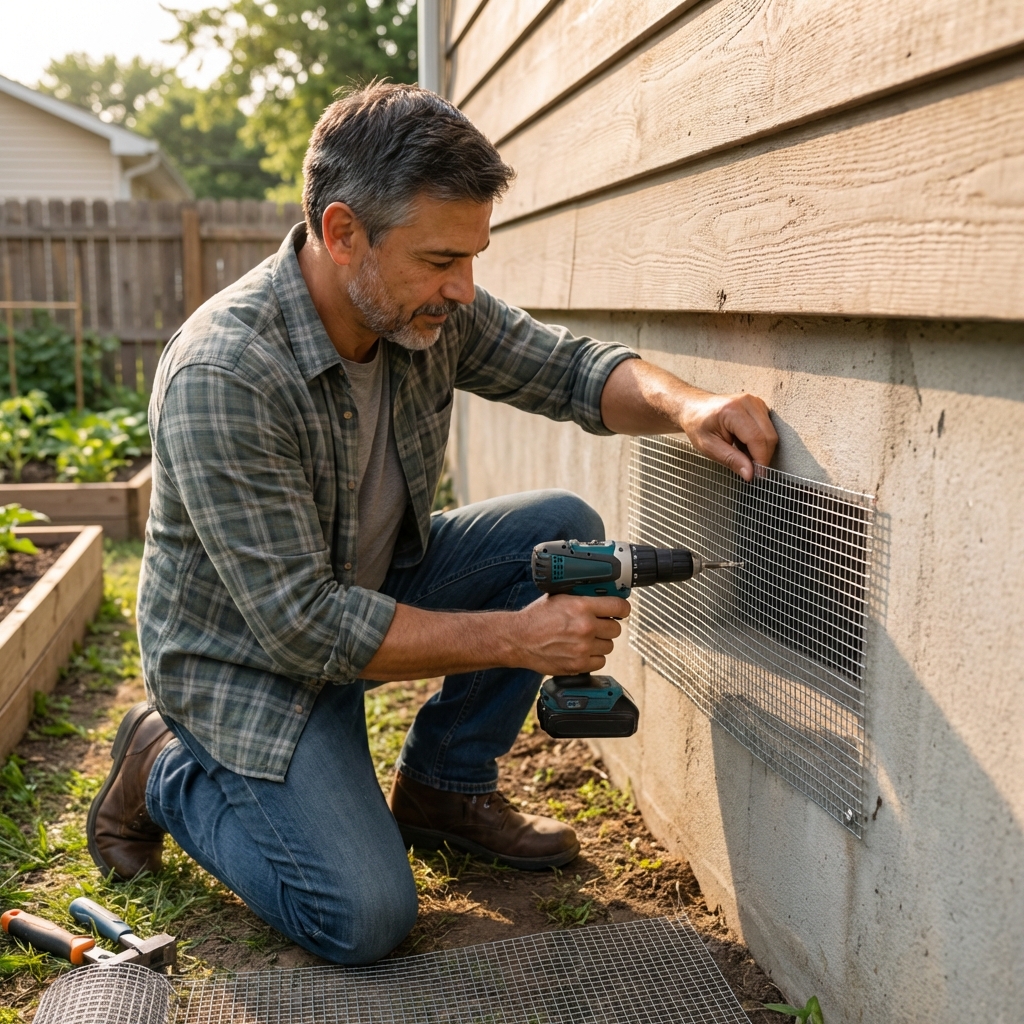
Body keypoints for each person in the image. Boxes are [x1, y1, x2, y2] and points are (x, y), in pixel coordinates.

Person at [86, 82, 777, 965]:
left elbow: (569, 369)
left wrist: (690, 405)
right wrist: (518, 639)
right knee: (363, 915)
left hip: (359, 593)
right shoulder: (226, 374)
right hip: (246, 664)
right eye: (441, 259)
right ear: (343, 234)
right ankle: (167, 768)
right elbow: (301, 627)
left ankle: (445, 789)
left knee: (558, 530)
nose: (464, 287)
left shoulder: (424, 309)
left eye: (474, 256)